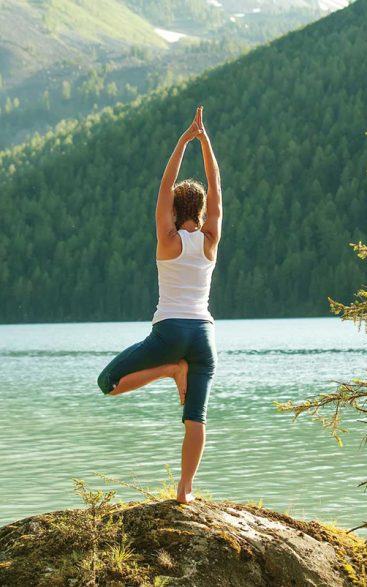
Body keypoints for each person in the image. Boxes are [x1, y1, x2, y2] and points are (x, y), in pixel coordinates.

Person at [96, 106, 222, 505]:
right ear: (200, 212)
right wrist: (206, 144)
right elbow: (217, 186)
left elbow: (165, 185)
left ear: (172, 210)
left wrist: (184, 140)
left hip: (168, 334)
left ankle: (170, 371)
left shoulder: (166, 238)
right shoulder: (210, 240)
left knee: (108, 384)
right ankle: (186, 491)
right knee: (195, 417)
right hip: (203, 336)